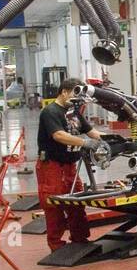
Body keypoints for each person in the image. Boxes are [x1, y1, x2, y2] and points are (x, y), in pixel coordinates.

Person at [36, 78, 104, 251]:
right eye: (75, 94)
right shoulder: (50, 111)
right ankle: (56, 245)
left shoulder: (73, 112)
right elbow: (58, 135)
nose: (77, 99)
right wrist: (84, 143)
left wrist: (112, 140)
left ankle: (80, 239)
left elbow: (91, 132)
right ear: (64, 92)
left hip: (70, 166)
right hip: (52, 165)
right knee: (54, 205)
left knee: (77, 203)